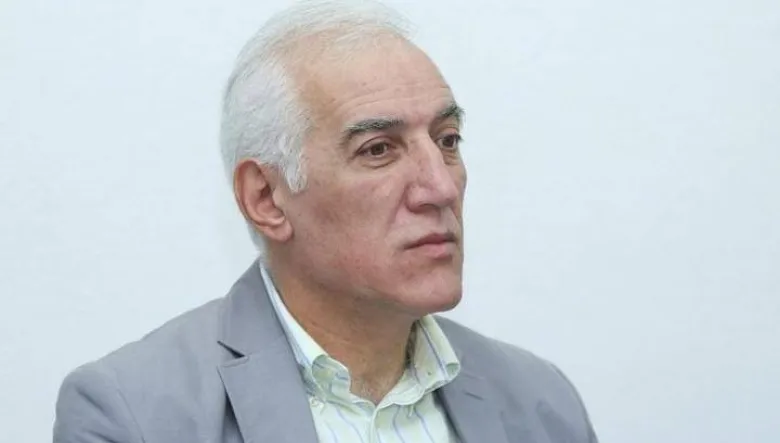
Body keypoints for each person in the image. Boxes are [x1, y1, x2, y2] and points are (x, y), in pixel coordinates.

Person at [54, 1, 598, 442]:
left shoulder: (541, 403)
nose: (441, 187)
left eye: (447, 140)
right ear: (266, 198)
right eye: (378, 149)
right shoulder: (132, 415)